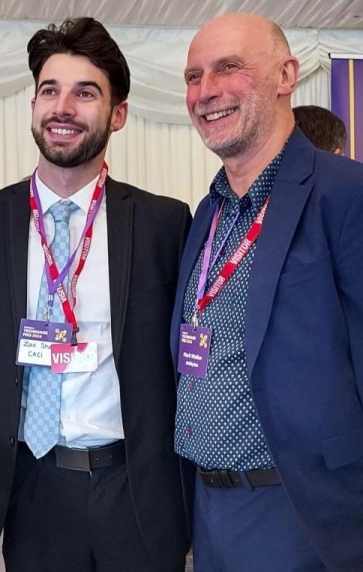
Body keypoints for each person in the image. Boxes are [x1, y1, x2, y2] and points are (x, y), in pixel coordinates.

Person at [0, 16, 191, 572]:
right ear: (32, 106)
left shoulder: (163, 223)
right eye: (49, 90)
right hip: (33, 486)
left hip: (136, 489)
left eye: (85, 93)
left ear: (118, 114)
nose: (63, 107)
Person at [172, 12, 363, 572]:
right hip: (209, 516)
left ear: (286, 75)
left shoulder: (345, 196)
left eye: (228, 68)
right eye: (192, 76)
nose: (206, 91)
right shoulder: (207, 213)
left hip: (305, 514)